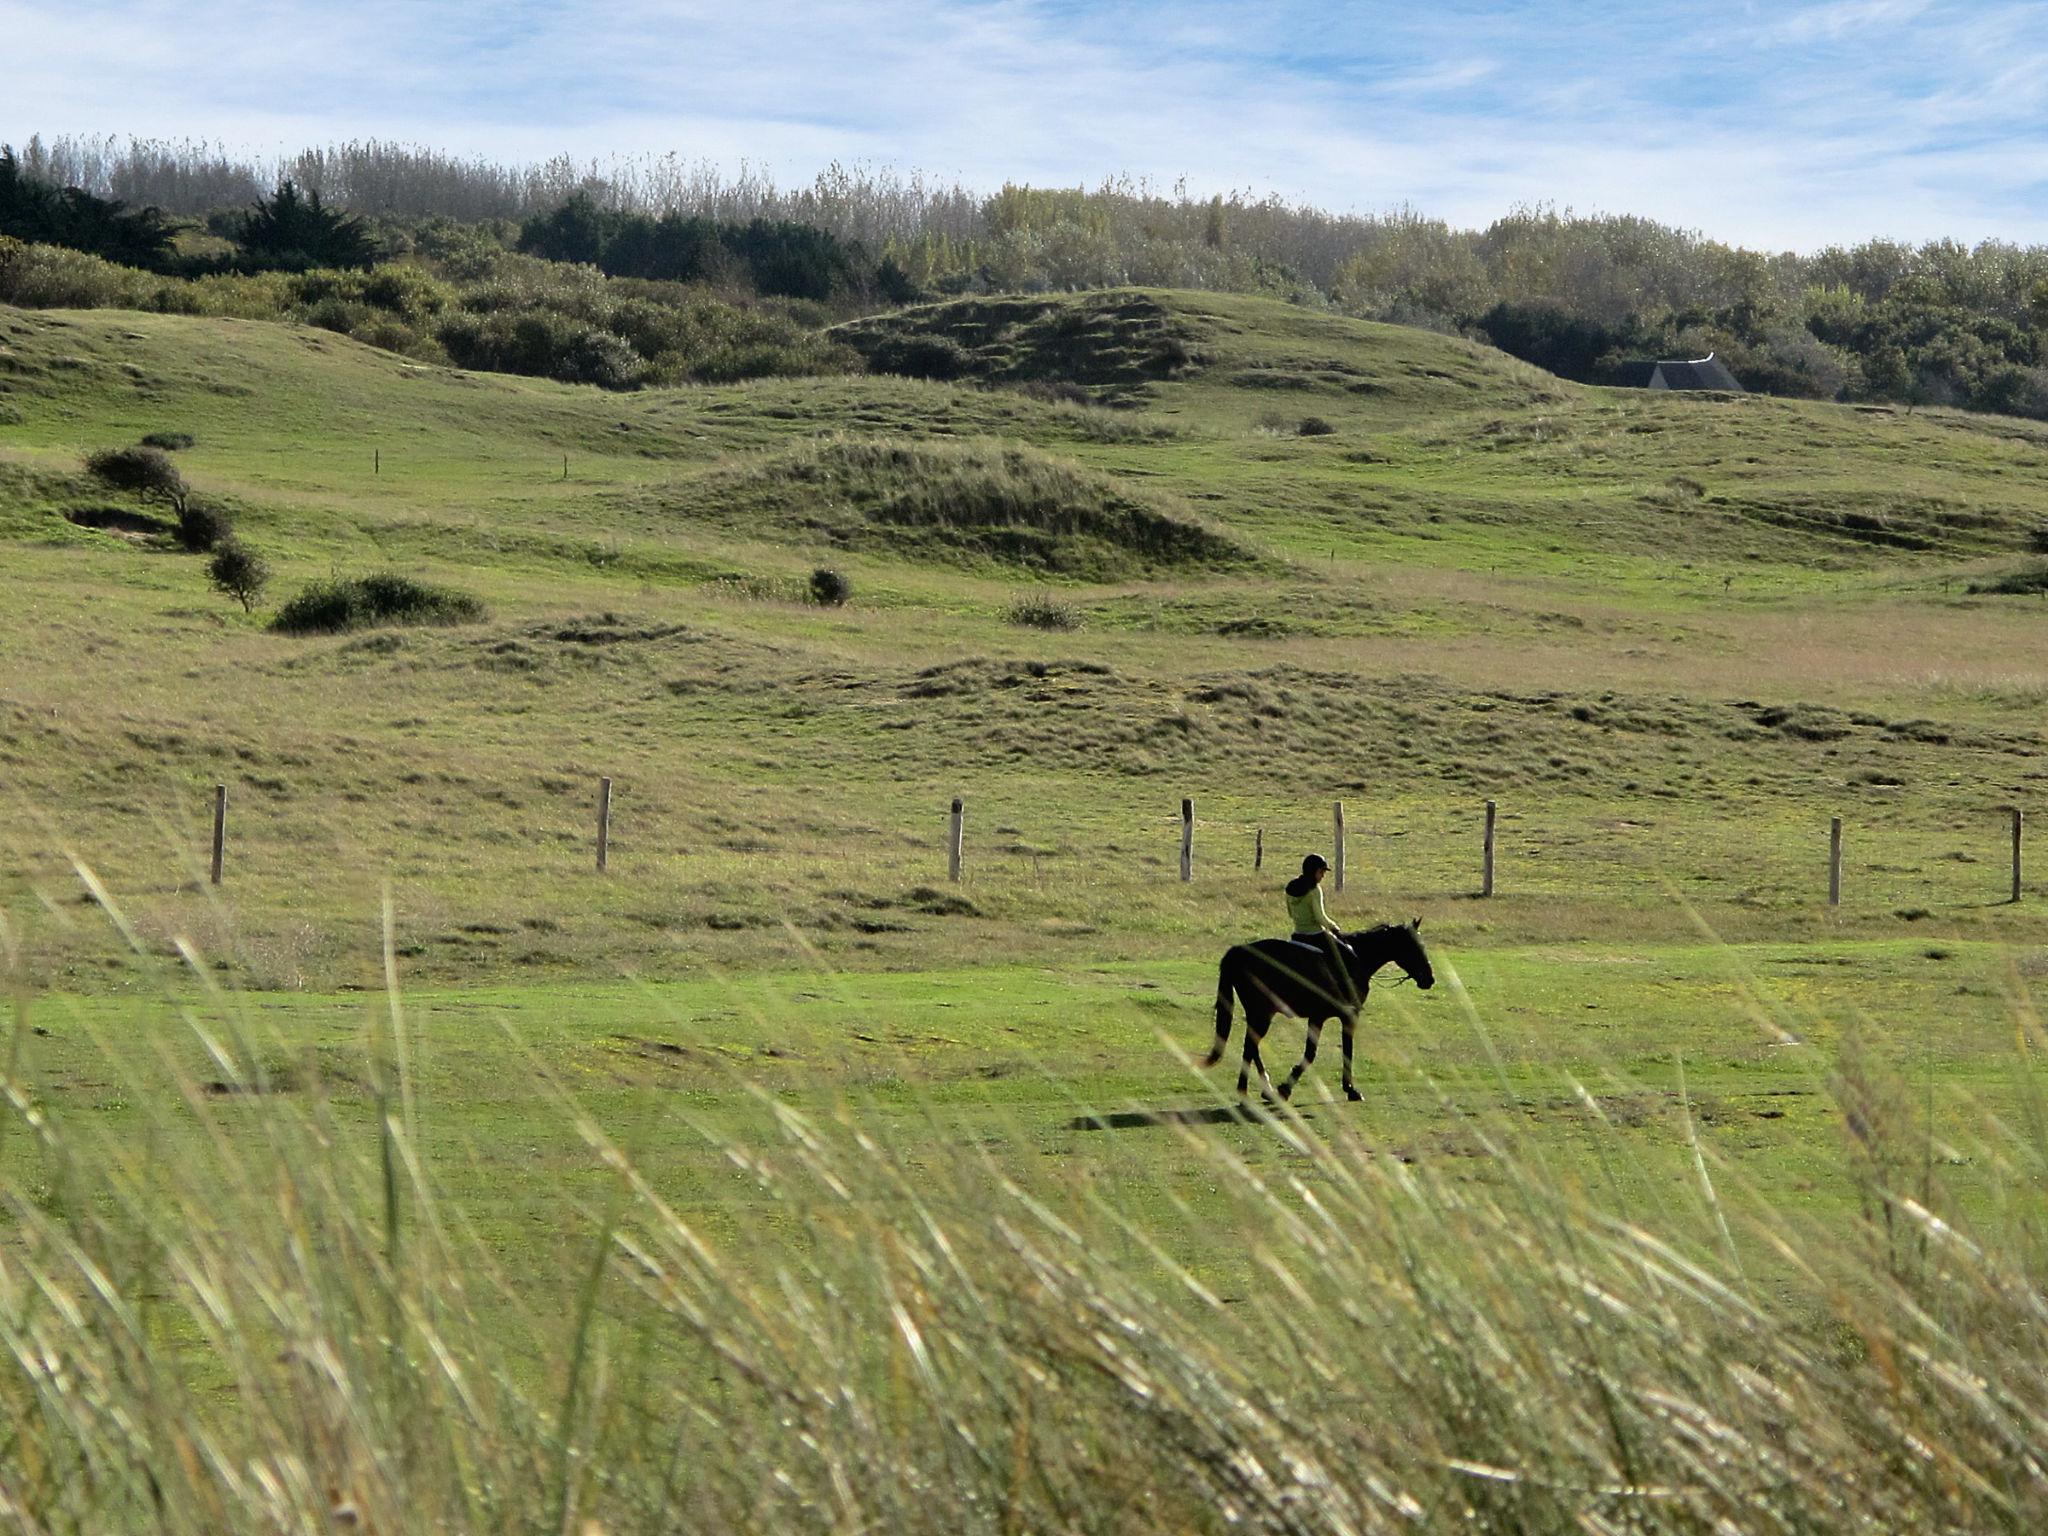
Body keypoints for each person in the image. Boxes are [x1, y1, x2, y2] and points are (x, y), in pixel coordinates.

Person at [1285, 854, 1348, 952]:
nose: (1323, 876)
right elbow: (1320, 917)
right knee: (1345, 952)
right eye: (1321, 872)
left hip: (1297, 935)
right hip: (1316, 936)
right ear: (1312, 871)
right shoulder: (1314, 890)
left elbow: (1290, 913)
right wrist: (1335, 928)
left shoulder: (1290, 889)